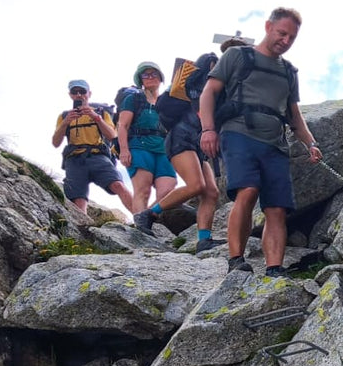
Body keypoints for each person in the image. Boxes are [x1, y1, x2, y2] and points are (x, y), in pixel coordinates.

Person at [198, 8, 322, 276]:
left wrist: (310, 144)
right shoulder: (236, 56)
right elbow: (210, 92)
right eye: (282, 33)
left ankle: (274, 267)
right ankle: (235, 260)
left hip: (275, 143)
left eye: (292, 37)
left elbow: (294, 115)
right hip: (238, 133)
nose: (286, 41)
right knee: (248, 190)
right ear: (268, 27)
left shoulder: (288, 71)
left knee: (277, 207)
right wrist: (208, 129)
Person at [133, 38, 250, 252]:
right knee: (196, 185)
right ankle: (148, 214)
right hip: (182, 136)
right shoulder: (210, 66)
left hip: (198, 145)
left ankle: (204, 239)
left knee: (212, 192)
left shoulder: (233, 83)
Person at [52, 79, 135, 213]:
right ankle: (82, 229)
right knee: (78, 199)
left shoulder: (101, 113)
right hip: (74, 159)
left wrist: (97, 118)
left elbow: (112, 136)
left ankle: (141, 217)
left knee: (118, 185)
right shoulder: (64, 116)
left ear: (89, 93)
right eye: (75, 92)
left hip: (98, 156)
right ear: (70, 95)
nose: (79, 95)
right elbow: (56, 143)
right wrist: (66, 123)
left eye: (82, 91)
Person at [116, 62, 177, 217]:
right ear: (140, 79)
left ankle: (145, 218)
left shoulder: (166, 101)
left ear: (161, 78)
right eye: (146, 74)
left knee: (168, 189)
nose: (150, 77)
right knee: (143, 190)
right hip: (139, 146)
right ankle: (140, 231)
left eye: (154, 74)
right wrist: (124, 150)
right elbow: (123, 125)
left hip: (163, 148)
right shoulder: (133, 99)